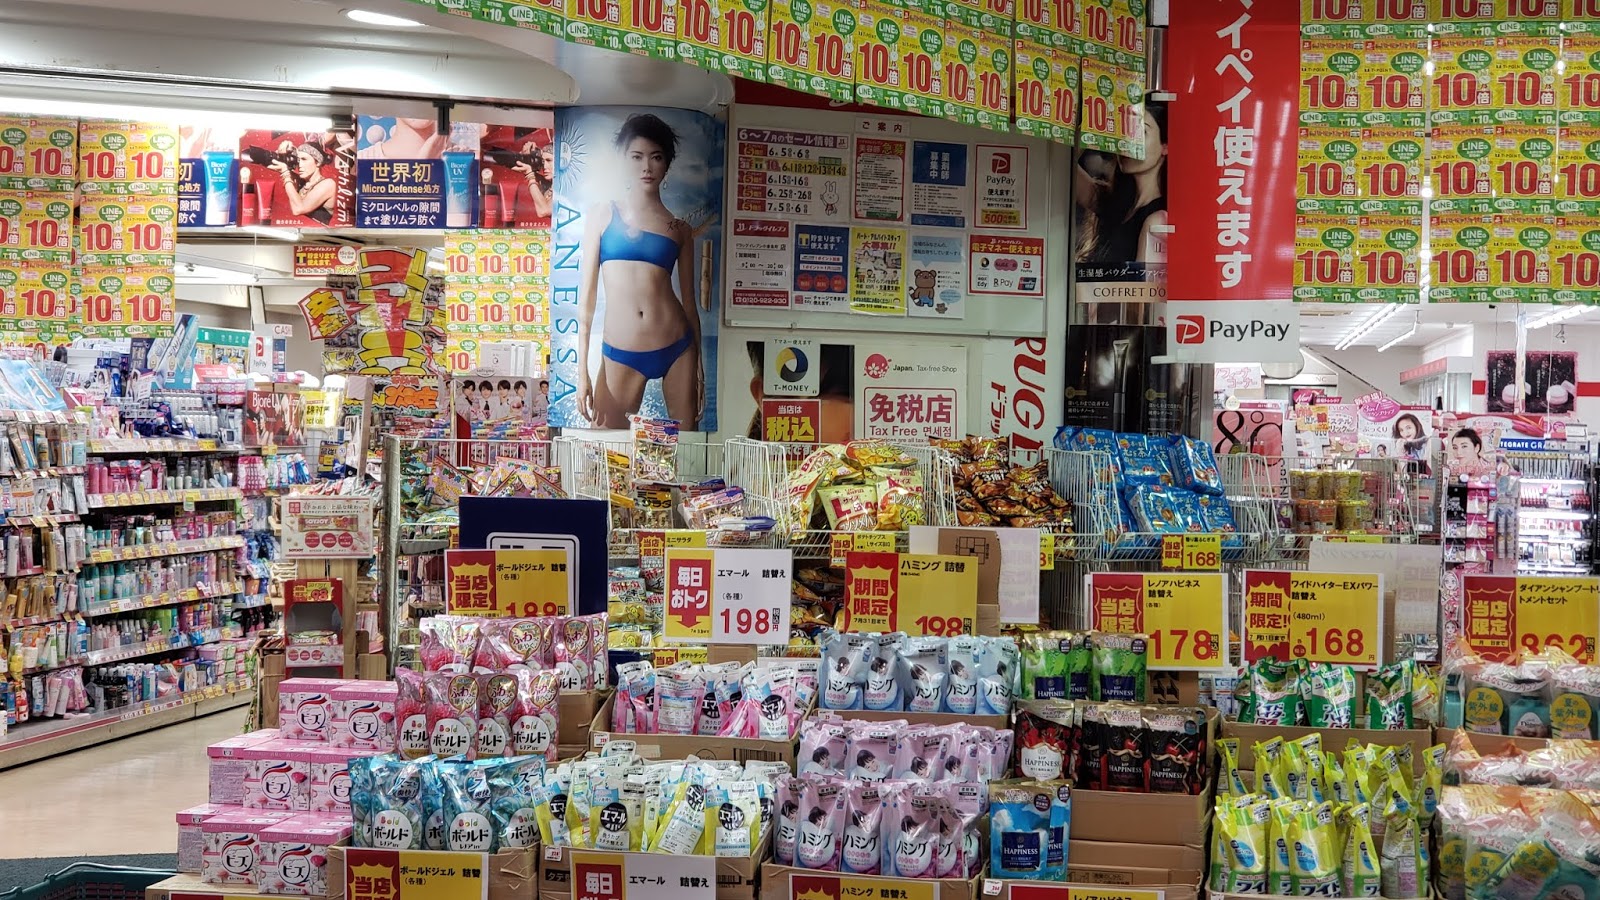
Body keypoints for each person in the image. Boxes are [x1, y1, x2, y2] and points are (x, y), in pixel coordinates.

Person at [576, 113, 704, 429]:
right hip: (621, 352)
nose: (647, 167)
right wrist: (582, 372)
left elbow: (690, 305)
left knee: (686, 449)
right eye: (637, 157)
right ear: (624, 160)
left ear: (667, 164)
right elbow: (586, 302)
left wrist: (700, 367)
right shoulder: (602, 214)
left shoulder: (680, 229)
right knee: (604, 449)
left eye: (656, 157)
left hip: (678, 346)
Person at [268, 140, 338, 224]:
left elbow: (298, 209)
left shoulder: (328, 184)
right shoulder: (302, 184)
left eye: (304, 159)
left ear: (318, 162)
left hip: (320, 231)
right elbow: (274, 164)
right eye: (298, 160)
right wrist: (283, 152)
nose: (300, 165)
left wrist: (285, 173)